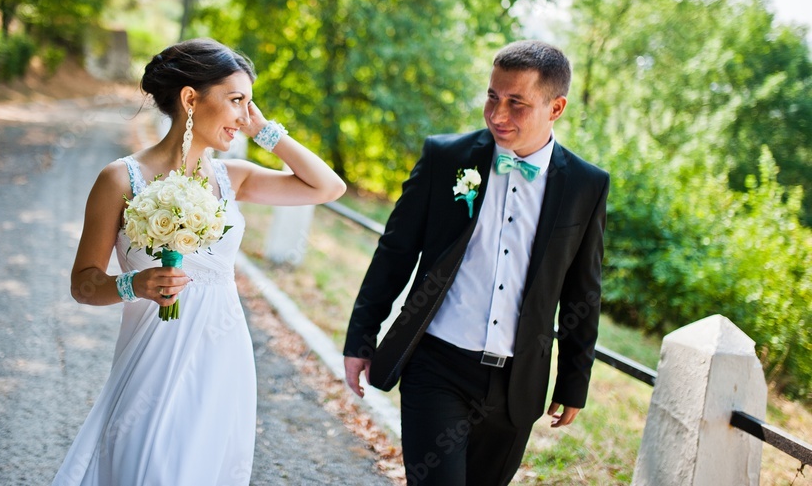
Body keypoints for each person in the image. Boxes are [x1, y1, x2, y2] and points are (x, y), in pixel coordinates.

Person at [53, 38, 346, 486]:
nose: (244, 116)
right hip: (151, 359)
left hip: (222, 361)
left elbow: (328, 187)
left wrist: (266, 131)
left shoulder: (234, 179)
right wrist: (136, 285)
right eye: (236, 101)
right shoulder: (120, 179)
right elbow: (84, 283)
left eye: (250, 104)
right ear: (191, 98)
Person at [343, 40, 609, 486]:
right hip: (437, 366)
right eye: (492, 96)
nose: (497, 115)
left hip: (517, 384)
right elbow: (396, 251)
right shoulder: (445, 158)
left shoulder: (587, 185)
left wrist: (573, 380)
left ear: (556, 107)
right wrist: (361, 337)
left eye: (516, 103)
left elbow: (584, 289)